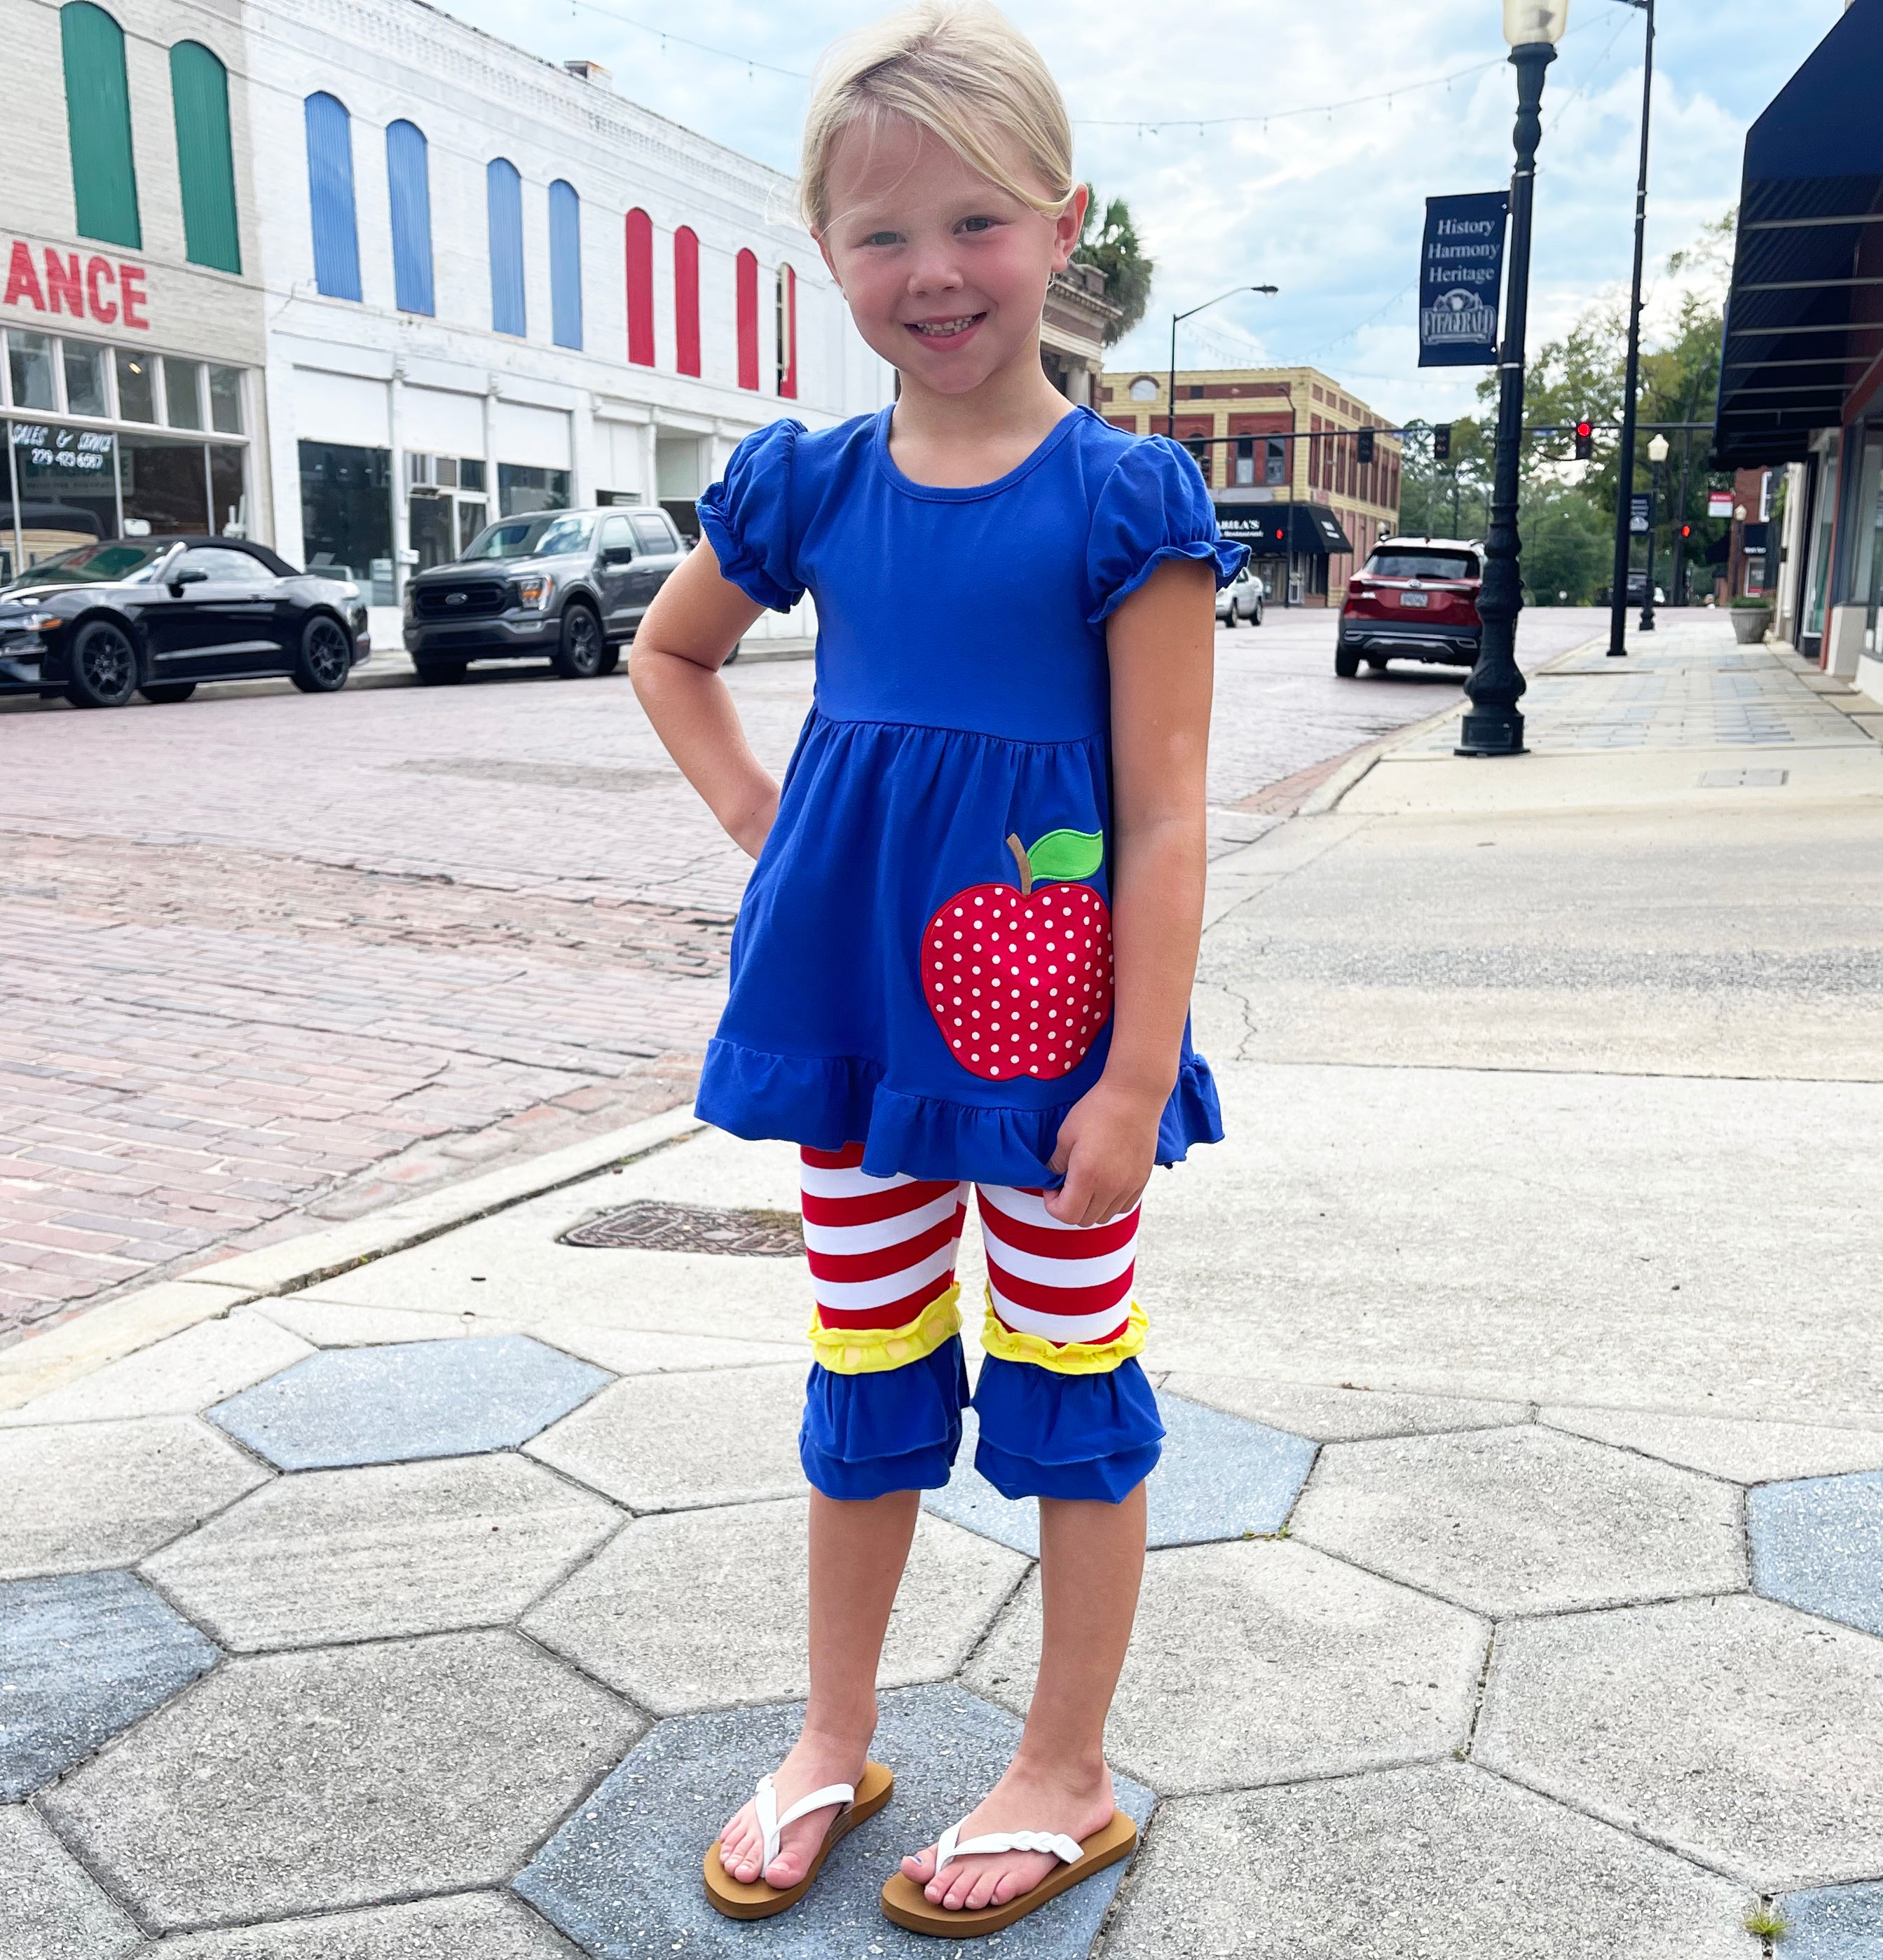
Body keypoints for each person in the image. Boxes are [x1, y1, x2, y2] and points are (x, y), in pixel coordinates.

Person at [628, 0, 1242, 1935]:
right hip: (862, 1037)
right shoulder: (810, 484)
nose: (934, 271)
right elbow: (673, 653)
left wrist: (1134, 1076)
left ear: (1064, 227)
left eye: (976, 222)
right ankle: (836, 1734)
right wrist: (775, 831)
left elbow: (1163, 814)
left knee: (1068, 1369)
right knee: (865, 1352)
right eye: (882, 233)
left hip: (1056, 1044)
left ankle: (1068, 1770)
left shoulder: (1122, 501)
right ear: (828, 255)